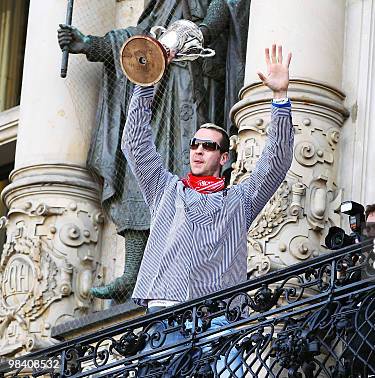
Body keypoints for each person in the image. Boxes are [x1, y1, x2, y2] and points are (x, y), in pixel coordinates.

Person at [57, 0, 250, 300]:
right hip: (159, 94)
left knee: (192, 172)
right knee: (139, 173)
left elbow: (221, 12)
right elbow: (138, 39)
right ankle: (134, 271)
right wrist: (90, 44)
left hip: (193, 88)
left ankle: (192, 264)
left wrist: (194, 35)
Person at [124, 44, 293, 376]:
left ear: (224, 157)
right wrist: (148, 79)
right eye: (194, 144)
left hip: (218, 315)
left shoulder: (239, 200)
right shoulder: (165, 189)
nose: (199, 151)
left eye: (209, 146)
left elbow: (276, 161)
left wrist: (281, 98)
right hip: (165, 312)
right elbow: (135, 144)